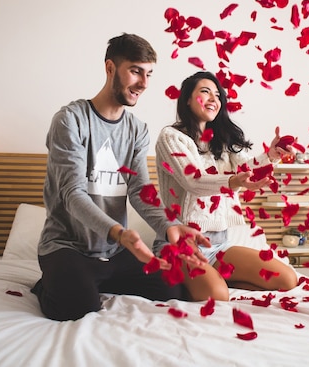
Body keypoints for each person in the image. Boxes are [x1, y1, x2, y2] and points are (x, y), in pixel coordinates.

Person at [32, 34, 210, 321]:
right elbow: (72, 193)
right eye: (136, 71)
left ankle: (97, 280)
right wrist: (120, 233)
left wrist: (170, 227)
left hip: (114, 252)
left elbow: (140, 190)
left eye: (149, 73)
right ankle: (48, 284)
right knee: (76, 308)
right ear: (110, 68)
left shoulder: (137, 130)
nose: (144, 83)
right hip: (68, 248)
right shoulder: (71, 120)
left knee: (172, 290)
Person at [154, 71, 298, 302]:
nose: (214, 98)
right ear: (187, 99)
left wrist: (271, 155)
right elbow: (193, 181)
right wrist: (233, 181)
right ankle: (198, 280)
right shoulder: (171, 137)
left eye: (218, 95)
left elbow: (247, 169)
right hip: (179, 243)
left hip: (218, 243)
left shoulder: (222, 140)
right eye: (205, 91)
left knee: (287, 279)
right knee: (217, 295)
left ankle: (213, 279)